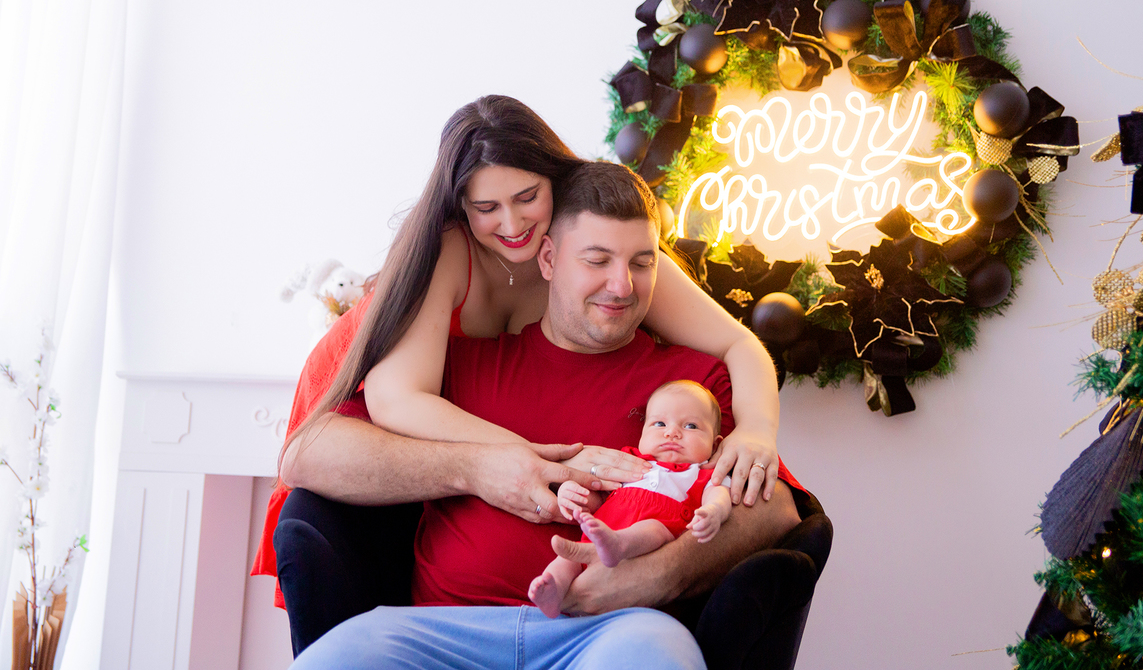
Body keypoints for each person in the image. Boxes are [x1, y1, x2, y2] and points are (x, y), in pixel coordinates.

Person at [252, 96, 787, 652]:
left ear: (554, 180)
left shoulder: (603, 240)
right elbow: (397, 400)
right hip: (373, 384)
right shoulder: (450, 250)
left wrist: (754, 430)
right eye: (487, 207)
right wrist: (539, 457)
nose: (512, 225)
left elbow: (737, 343)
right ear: (459, 205)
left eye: (528, 197)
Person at [529, 380, 734, 619]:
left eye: (690, 426)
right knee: (568, 559)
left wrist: (714, 511)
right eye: (659, 423)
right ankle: (553, 592)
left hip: (653, 541)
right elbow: (597, 496)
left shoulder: (702, 472)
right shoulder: (630, 462)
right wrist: (570, 492)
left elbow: (718, 494)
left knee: (654, 529)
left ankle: (618, 544)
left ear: (715, 443)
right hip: (599, 536)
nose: (672, 433)